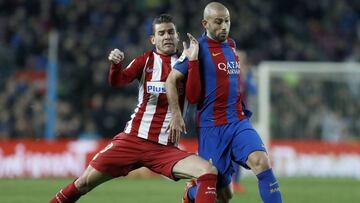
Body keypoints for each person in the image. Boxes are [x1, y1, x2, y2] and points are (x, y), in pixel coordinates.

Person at [49, 14, 218, 203]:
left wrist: (194, 62)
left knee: (208, 172)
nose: (167, 36)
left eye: (171, 32)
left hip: (164, 149)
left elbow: (194, 96)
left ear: (178, 36)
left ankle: (190, 196)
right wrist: (115, 65)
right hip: (133, 140)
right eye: (161, 33)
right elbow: (118, 81)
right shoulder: (145, 61)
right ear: (153, 39)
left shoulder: (186, 63)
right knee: (84, 182)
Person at [165, 2, 283, 203]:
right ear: (205, 23)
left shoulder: (231, 45)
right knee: (224, 195)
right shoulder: (197, 49)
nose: (224, 27)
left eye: (227, 21)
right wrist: (176, 114)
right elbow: (171, 80)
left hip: (238, 121)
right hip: (212, 128)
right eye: (218, 22)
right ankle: (191, 193)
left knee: (261, 162)